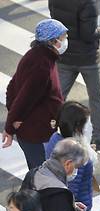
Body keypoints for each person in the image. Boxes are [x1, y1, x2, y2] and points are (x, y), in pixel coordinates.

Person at [48, 0, 100, 150]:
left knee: (58, 97)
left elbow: (53, 21)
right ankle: (99, 138)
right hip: (88, 59)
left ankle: (48, 131)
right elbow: (89, 34)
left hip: (65, 55)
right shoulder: (88, 3)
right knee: (96, 98)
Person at [2, 19, 66, 169]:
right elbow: (23, 98)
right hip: (36, 134)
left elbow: (13, 86)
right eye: (63, 38)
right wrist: (11, 126)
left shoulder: (37, 56)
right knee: (42, 176)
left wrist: (14, 116)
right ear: (53, 41)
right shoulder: (41, 66)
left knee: (39, 176)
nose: (65, 41)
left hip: (37, 130)